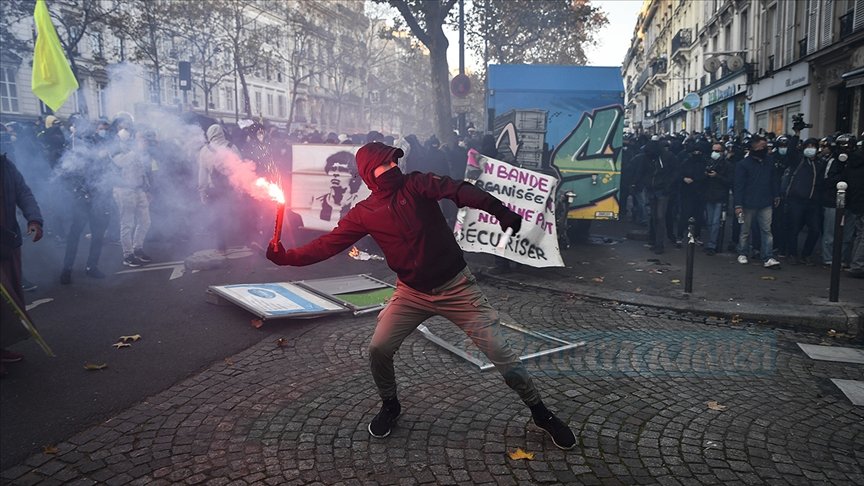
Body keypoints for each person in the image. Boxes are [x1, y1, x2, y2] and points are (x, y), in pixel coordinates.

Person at [266, 142, 577, 449]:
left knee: (502, 354)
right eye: (384, 165)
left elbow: (459, 190)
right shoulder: (364, 213)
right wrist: (287, 257)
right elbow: (328, 244)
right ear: (369, 175)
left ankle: (541, 413)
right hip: (411, 293)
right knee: (378, 348)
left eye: (394, 162)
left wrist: (499, 210)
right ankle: (391, 405)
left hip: (457, 287)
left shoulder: (417, 184)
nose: (392, 168)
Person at [1, 153, 44, 377]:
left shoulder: (6, 165)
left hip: (7, 243)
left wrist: (34, 219)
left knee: (9, 300)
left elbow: (23, 193)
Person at [734, 135, 781, 268]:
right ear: (754, 147)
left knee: (766, 230)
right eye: (762, 147)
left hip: (765, 201)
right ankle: (742, 252)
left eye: (765, 147)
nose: (764, 149)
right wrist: (738, 204)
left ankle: (768, 256)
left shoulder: (769, 162)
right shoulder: (743, 164)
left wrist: (776, 195)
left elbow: (774, 179)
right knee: (745, 230)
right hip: (748, 202)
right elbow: (738, 185)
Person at [112, 130, 156, 267]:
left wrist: (147, 188)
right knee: (127, 223)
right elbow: (122, 163)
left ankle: (138, 248)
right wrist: (136, 151)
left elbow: (141, 170)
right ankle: (128, 255)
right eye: (127, 138)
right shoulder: (115, 151)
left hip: (138, 189)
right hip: (123, 190)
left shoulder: (134, 151)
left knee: (145, 221)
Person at [783, 138, 822, 265]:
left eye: (813, 146)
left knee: (815, 230)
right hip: (796, 201)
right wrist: (796, 136)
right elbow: (790, 152)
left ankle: (806, 254)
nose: (811, 148)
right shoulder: (798, 160)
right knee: (793, 228)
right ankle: (792, 254)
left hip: (813, 202)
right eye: (808, 146)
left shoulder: (819, 163)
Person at [703, 142, 731, 255]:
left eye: (717, 151)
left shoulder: (727, 165)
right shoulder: (708, 162)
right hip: (709, 195)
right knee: (709, 221)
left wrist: (717, 176)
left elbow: (729, 181)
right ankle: (711, 242)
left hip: (720, 196)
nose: (715, 153)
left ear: (722, 152)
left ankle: (712, 244)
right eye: (713, 150)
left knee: (715, 222)